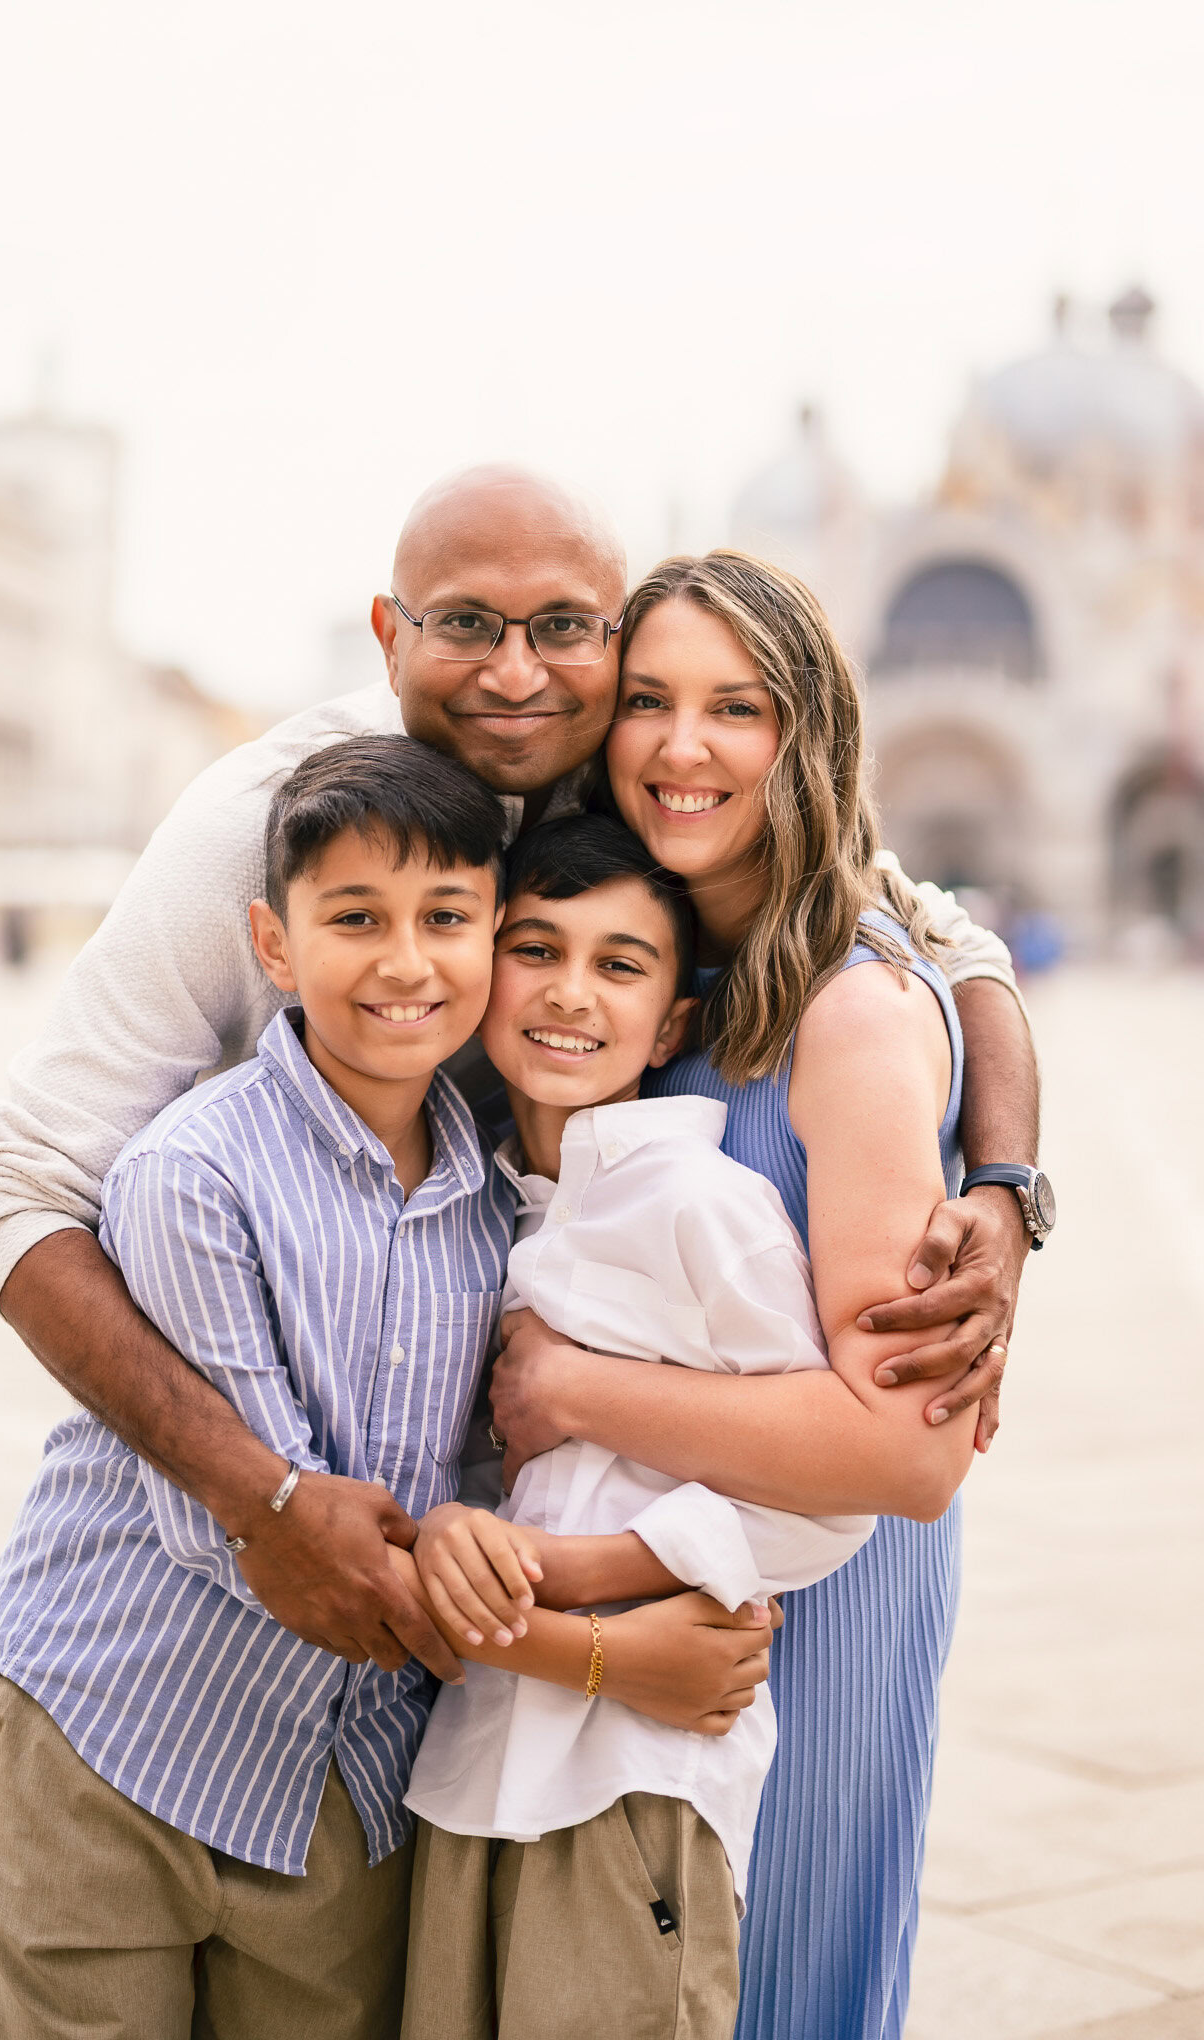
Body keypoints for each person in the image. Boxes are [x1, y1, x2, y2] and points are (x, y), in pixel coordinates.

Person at [0, 469, 1038, 2030]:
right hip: (393, 1659)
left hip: (742, 1565)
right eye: (469, 626)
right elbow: (12, 1183)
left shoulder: (644, 788)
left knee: (784, 1951)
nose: (521, 673)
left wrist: (1003, 1184)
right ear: (393, 633)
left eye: (565, 633)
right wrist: (265, 1498)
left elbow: (945, 942)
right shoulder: (277, 815)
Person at [0, 738, 770, 2039]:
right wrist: (619, 1656)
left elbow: (470, 1495)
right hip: (116, 1742)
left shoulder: (500, 1210)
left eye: (449, 920)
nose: (407, 962)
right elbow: (290, 1555)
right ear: (273, 948)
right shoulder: (194, 1176)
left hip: (340, 1791)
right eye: (354, 920)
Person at [486, 550, 1048, 2040]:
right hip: (653, 1582)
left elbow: (906, 1455)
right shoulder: (664, 952)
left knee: (777, 1979)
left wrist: (566, 1390)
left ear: (808, 737)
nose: (683, 747)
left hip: (816, 1606)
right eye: (652, 702)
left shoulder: (847, 1009)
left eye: (737, 708)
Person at [398, 815, 876, 2040]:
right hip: (470, 1770)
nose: (568, 992)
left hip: (636, 1777)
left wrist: (589, 1575)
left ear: (670, 1023)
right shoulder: (493, 1206)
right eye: (535, 948)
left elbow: (831, 1495)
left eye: (618, 965)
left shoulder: (702, 1205)